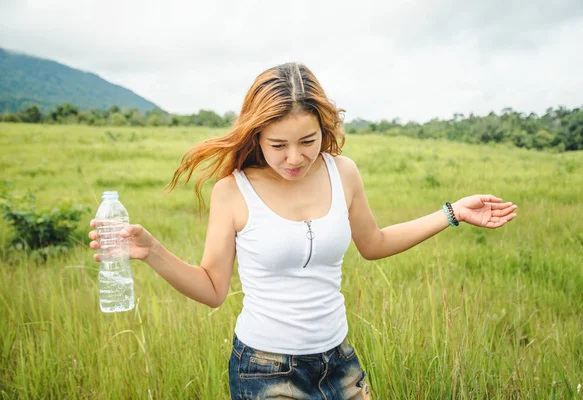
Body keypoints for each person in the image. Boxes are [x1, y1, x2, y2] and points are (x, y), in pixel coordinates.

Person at [88, 62, 517, 399]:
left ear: (324, 129)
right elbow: (213, 289)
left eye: (308, 141)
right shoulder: (232, 192)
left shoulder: (342, 172)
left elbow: (375, 243)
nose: (295, 158)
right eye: (278, 145)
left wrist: (452, 212)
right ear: (256, 136)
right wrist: (151, 251)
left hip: (339, 360)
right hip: (266, 369)